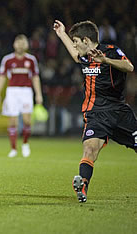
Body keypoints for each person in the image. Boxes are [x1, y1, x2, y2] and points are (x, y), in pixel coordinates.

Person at [53, 19, 136, 203]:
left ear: (86, 40)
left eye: (76, 42)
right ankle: (82, 185)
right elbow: (75, 55)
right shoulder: (84, 58)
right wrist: (62, 34)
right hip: (95, 114)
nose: (75, 46)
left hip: (119, 113)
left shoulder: (111, 51)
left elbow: (129, 67)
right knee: (90, 149)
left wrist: (105, 60)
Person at [0, 34, 43, 158]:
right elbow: (2, 76)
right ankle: (13, 148)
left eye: (23, 42)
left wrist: (39, 94)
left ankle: (25, 143)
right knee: (13, 121)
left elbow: (35, 77)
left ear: (26, 45)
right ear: (14, 44)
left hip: (26, 91)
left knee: (26, 120)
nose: (20, 45)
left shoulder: (31, 60)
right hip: (12, 92)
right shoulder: (7, 60)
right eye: (18, 42)